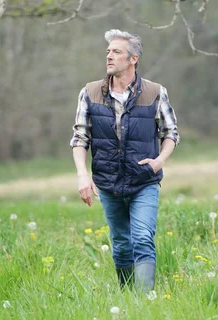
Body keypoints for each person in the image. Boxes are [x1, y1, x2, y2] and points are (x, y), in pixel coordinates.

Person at [70, 29, 179, 293]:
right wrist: (83, 175)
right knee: (120, 243)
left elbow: (170, 133)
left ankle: (144, 300)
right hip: (108, 182)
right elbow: (80, 137)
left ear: (133, 59)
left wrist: (159, 161)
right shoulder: (90, 92)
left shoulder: (154, 92)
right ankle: (128, 295)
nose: (109, 56)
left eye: (116, 51)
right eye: (108, 51)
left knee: (142, 238)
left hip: (144, 180)